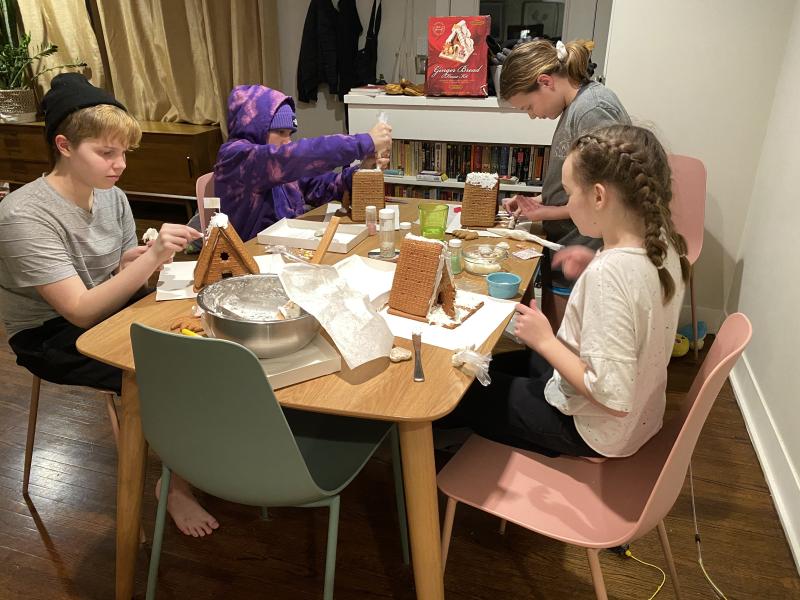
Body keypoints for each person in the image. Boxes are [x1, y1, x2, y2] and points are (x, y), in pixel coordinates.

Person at [0, 73, 216, 537]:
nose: (119, 165)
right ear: (63, 145)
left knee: (207, 335)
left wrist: (134, 261)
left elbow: (117, 273)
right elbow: (78, 310)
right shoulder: (23, 215)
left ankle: (202, 454)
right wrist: (151, 259)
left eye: (124, 153)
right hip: (49, 333)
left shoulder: (111, 196)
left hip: (106, 309)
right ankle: (175, 486)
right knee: (174, 371)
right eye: (106, 153)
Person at [439, 125, 689, 459]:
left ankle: (432, 459)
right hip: (638, 419)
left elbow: (611, 396)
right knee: (488, 366)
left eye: (570, 194)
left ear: (599, 196)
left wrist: (545, 340)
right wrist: (591, 262)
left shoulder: (610, 274)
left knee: (460, 390)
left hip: (593, 430)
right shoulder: (664, 245)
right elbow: (634, 299)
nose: (568, 204)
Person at [499, 39, 631, 330]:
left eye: (529, 106)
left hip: (584, 246)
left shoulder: (592, 111)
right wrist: (538, 200)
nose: (532, 115)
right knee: (552, 330)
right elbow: (578, 184)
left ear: (545, 81)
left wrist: (544, 212)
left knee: (565, 339)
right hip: (568, 238)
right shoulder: (574, 107)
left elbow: (605, 197)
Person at [214, 84, 392, 241]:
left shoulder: (280, 166)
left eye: (290, 134)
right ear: (256, 128)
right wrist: (364, 141)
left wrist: (362, 170)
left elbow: (322, 186)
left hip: (284, 247)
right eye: (280, 132)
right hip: (252, 257)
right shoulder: (236, 157)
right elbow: (298, 156)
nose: (287, 142)